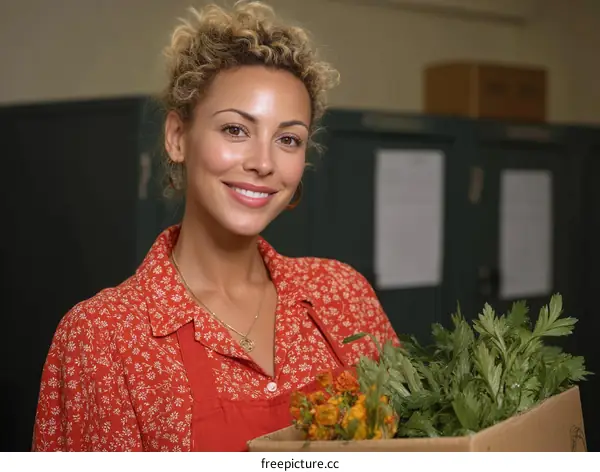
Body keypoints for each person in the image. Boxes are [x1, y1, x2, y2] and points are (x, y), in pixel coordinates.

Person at [32, 0, 399, 452]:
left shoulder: (343, 296)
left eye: (288, 139)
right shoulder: (104, 337)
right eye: (235, 130)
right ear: (177, 137)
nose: (263, 163)